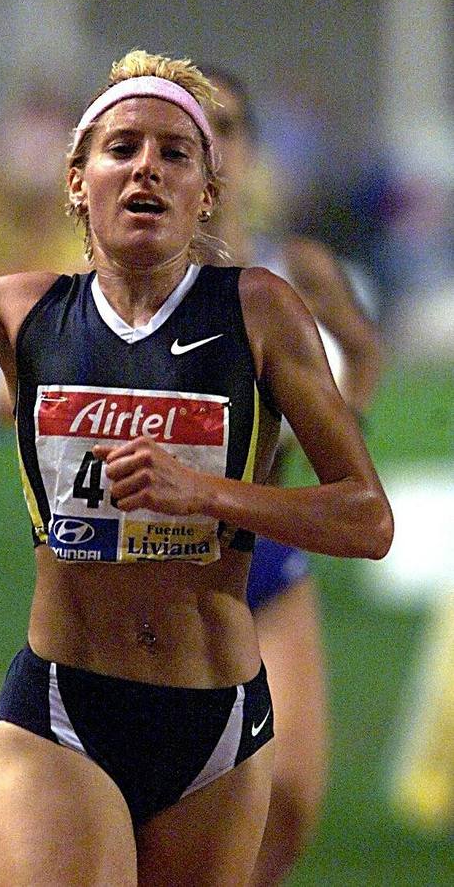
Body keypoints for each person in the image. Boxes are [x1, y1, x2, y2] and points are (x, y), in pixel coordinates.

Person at [0, 50, 393, 887]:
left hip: (213, 721)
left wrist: (203, 493)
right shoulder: (22, 311)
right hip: (64, 710)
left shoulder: (258, 311)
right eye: (121, 147)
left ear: (205, 193)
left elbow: (365, 517)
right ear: (78, 181)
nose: (147, 167)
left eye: (175, 153)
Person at [202, 69, 385, 885]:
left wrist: (333, 437)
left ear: (249, 149)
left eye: (226, 125)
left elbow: (364, 351)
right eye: (189, 125)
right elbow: (11, 394)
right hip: (145, 568)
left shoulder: (292, 267)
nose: (209, 142)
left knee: (289, 807)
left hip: (267, 553)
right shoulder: (117, 270)